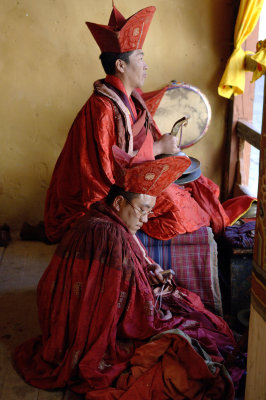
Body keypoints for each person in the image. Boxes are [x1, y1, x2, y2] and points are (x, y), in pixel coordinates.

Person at [14, 141, 243, 399]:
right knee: (196, 328)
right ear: (119, 202)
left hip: (58, 322)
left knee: (195, 317)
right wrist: (152, 294)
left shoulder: (98, 217)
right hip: (85, 334)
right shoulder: (108, 234)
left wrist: (148, 274)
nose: (145, 218)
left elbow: (122, 281)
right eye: (142, 210)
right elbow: (122, 304)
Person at [44, 3, 229, 244]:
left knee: (199, 189)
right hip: (103, 194)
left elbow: (137, 137)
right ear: (120, 65)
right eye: (140, 58)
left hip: (132, 179)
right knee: (179, 208)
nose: (145, 65)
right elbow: (109, 168)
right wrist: (160, 149)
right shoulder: (103, 107)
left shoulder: (130, 98)